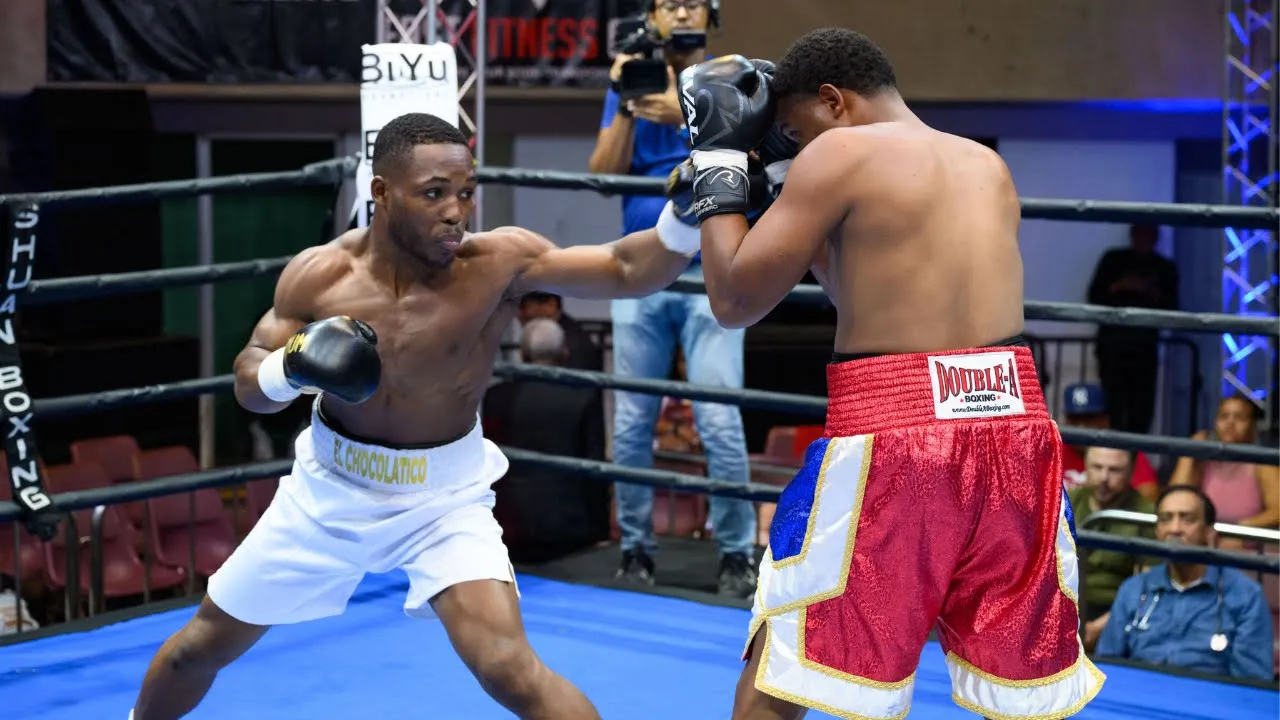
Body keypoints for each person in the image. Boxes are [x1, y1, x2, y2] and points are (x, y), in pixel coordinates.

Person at [128, 112, 707, 720]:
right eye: (434, 194)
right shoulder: (322, 275)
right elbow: (250, 384)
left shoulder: (498, 263)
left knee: (509, 669)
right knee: (196, 651)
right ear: (381, 192)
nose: (456, 211)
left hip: (444, 499)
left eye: (465, 192)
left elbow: (626, 268)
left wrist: (683, 219)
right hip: (329, 492)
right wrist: (290, 367)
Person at [676, 29, 1103, 719]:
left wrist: (719, 162)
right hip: (1017, 432)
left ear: (833, 100)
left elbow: (733, 301)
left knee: (788, 658)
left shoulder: (839, 152)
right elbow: (861, 288)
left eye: (795, 132)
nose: (797, 147)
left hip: (899, 440)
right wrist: (782, 178)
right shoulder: (985, 164)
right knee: (1017, 686)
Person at [589, 0, 757, 596]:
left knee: (718, 416)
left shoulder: (731, 75)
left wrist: (684, 113)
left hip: (711, 268)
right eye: (668, 3)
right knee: (633, 419)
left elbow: (752, 156)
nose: (680, 12)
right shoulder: (631, 81)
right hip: (641, 269)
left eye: (691, 2)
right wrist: (627, 103)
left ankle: (737, 553)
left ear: (709, 14)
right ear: (654, 16)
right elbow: (603, 172)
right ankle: (635, 547)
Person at [1096, 486, 1276, 681]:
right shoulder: (1134, 589)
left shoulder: (1246, 596)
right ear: (1157, 531)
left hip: (1209, 696)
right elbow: (1107, 667)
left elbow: (1252, 683)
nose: (1175, 529)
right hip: (1138, 693)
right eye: (1166, 519)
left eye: (1187, 519)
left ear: (1209, 533)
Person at [1086, 224, 1179, 435]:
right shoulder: (1113, 260)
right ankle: (1111, 450)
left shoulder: (1164, 268)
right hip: (1112, 346)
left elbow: (1172, 309)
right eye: (1141, 233)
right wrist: (1119, 287)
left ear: (1156, 238)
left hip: (1144, 347)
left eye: (1149, 234)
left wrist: (1152, 292)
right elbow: (1094, 297)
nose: (1144, 239)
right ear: (1133, 235)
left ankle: (1136, 455)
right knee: (1112, 405)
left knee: (1141, 409)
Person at [1068, 446, 1156, 651]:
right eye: (1097, 467)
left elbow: (1146, 588)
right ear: (1086, 466)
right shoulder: (1066, 500)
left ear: (1131, 472)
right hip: (1064, 603)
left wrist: (1097, 629)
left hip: (1115, 610)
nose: (1104, 478)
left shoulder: (1146, 515)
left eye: (1114, 470)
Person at [1059, 382, 1158, 501]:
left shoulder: (1121, 451)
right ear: (1066, 421)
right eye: (1075, 419)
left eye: (1089, 418)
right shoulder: (1053, 451)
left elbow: (1149, 494)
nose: (1081, 426)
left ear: (1105, 421)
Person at [517, 292, 603, 371]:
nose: (519, 314)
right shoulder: (571, 335)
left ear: (551, 305)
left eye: (525, 307)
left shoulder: (573, 343)